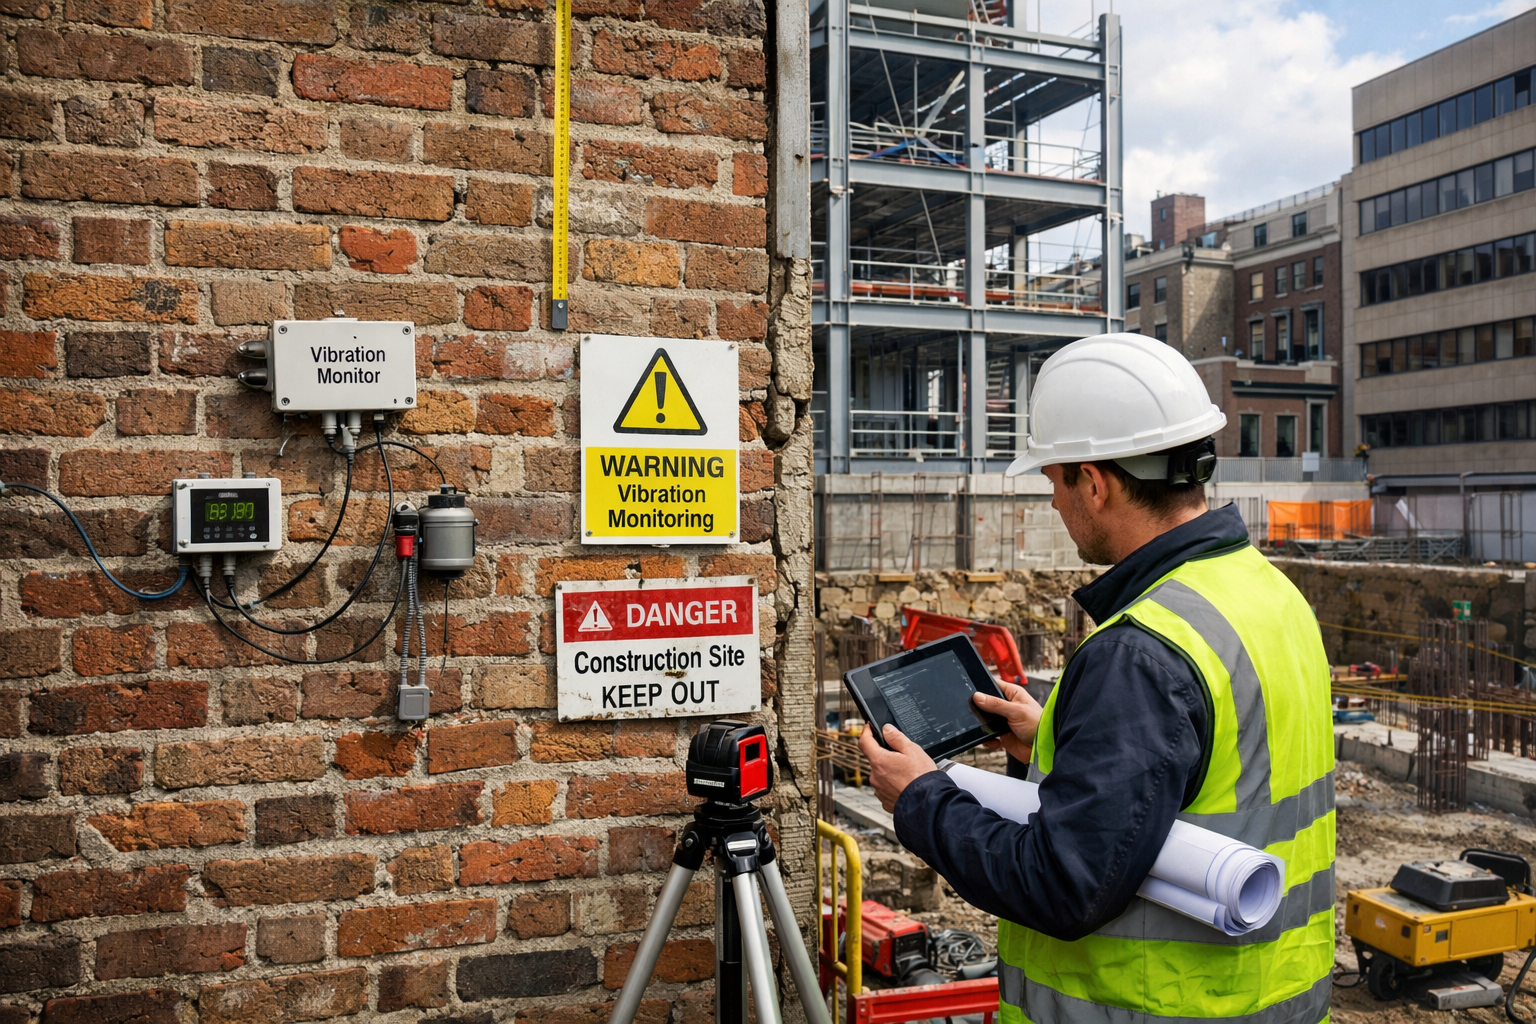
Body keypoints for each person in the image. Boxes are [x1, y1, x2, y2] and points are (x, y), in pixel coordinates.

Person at [859, 333, 1335, 1024]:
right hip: (1278, 1001)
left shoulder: (1141, 653)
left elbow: (1062, 884)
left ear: (1096, 480)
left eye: (1055, 480)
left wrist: (921, 799)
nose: (1053, 501)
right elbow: (1219, 769)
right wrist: (1051, 739)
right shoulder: (1269, 595)